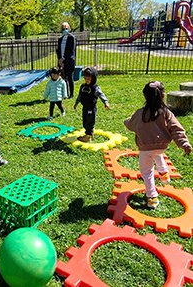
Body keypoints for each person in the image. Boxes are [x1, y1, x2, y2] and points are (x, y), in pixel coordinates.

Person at [124, 81, 192, 209]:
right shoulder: (166, 113)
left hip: (145, 149)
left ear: (144, 96)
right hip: (161, 146)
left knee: (147, 172)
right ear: (163, 96)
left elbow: (131, 124)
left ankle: (152, 197)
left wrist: (126, 121)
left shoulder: (141, 113)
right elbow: (176, 129)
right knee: (157, 153)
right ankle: (164, 173)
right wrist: (184, 143)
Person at [74, 67, 110, 142]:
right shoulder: (83, 86)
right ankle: (89, 134)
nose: (87, 80)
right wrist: (77, 102)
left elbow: (101, 94)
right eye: (85, 78)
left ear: (93, 78)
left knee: (90, 122)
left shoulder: (95, 88)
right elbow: (80, 95)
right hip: (85, 107)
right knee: (85, 121)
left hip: (91, 108)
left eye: (89, 78)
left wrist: (105, 102)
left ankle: (88, 137)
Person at [56, 22, 76, 99]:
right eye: (64, 29)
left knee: (70, 78)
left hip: (69, 61)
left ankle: (71, 94)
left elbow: (71, 50)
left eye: (66, 28)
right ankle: (65, 93)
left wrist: (64, 59)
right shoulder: (60, 39)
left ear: (69, 29)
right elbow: (58, 50)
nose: (65, 30)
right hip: (61, 61)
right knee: (63, 78)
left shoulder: (72, 38)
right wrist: (59, 59)